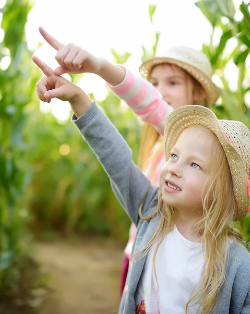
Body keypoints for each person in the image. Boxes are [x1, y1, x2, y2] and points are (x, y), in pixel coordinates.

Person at [32, 54, 250, 313]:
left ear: (222, 190)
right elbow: (117, 160)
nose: (174, 168)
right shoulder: (150, 213)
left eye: (194, 165)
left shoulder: (237, 265)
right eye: (174, 156)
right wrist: (79, 98)